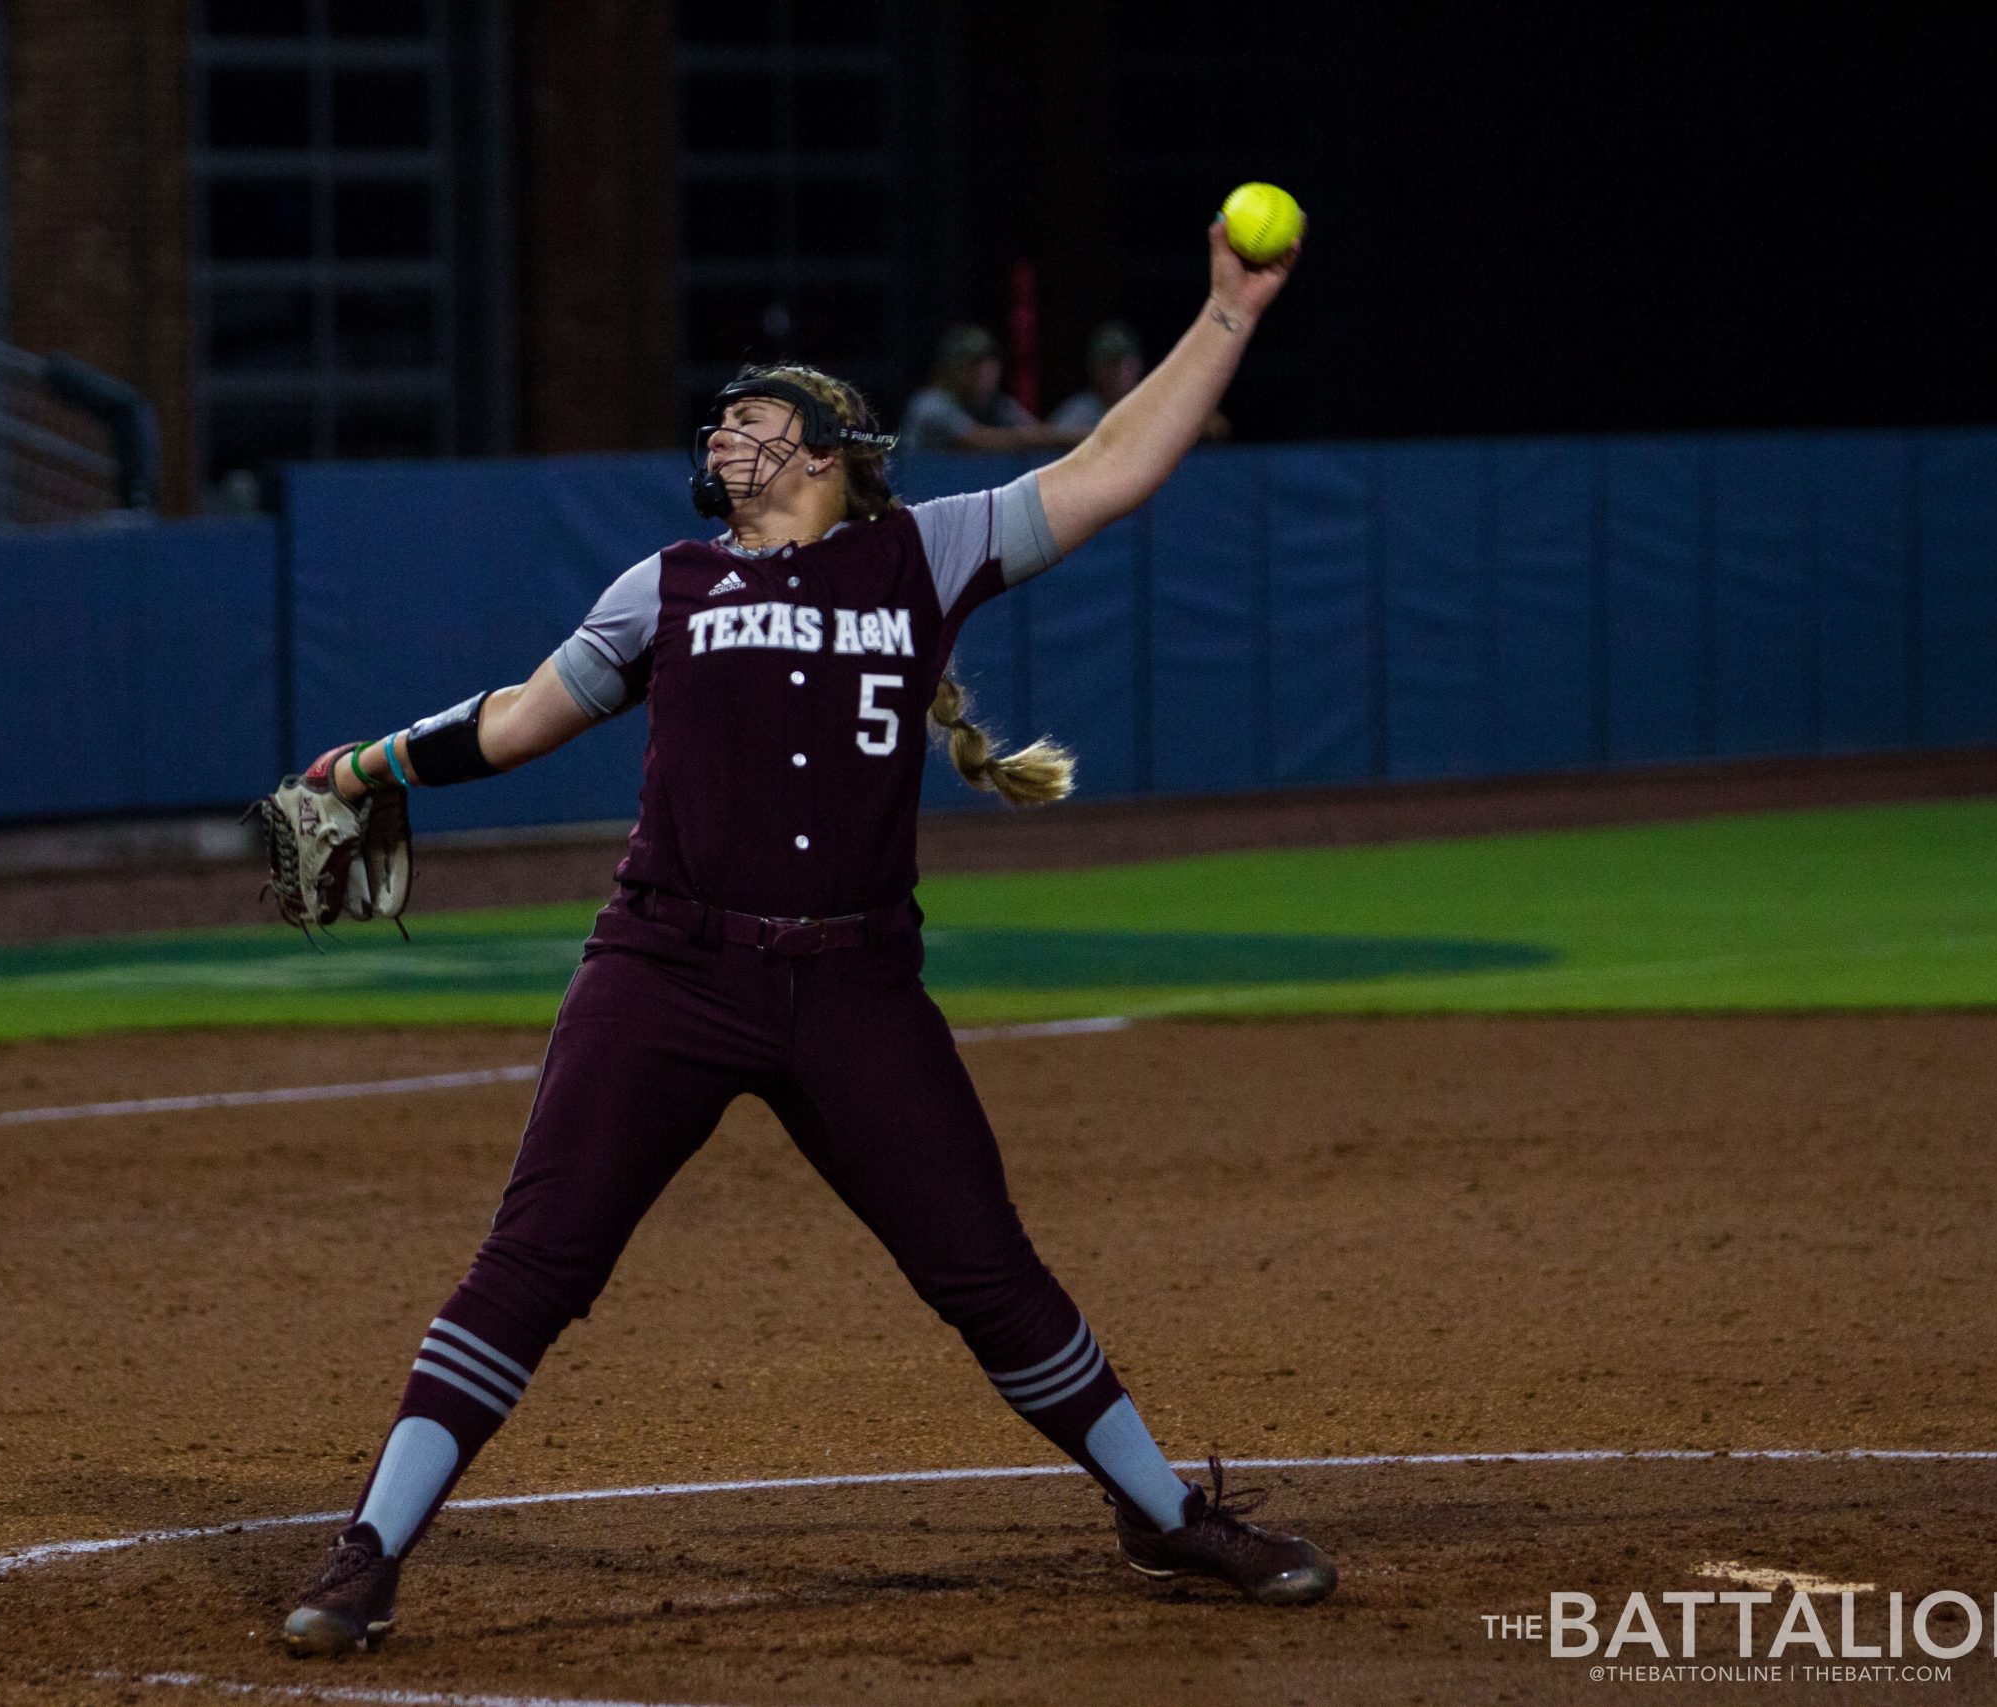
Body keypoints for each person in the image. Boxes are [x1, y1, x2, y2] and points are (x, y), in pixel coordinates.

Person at [277, 210, 1310, 1658]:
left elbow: (1110, 469)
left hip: (855, 984)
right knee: (538, 1257)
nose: (729, 436)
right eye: (726, 422)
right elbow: (515, 720)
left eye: (758, 420)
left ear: (826, 450)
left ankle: (1159, 1510)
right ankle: (369, 1548)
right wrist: (370, 765)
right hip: (668, 969)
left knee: (982, 1262)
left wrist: (1228, 313)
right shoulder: (667, 584)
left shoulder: (926, 552)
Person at [898, 323, 1080, 453]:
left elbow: (1036, 431)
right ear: (950, 367)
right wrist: (1078, 437)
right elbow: (981, 441)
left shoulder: (998, 404)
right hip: (922, 496)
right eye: (972, 364)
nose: (983, 372)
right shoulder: (929, 405)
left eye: (989, 363)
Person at [1054, 320, 1231, 442]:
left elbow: (1216, 426)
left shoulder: (1152, 400)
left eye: (1119, 362)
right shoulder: (1082, 409)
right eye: (1106, 363)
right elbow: (1039, 437)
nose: (1113, 372)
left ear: (1136, 364)